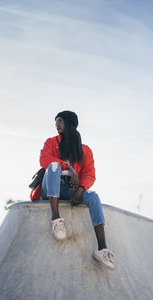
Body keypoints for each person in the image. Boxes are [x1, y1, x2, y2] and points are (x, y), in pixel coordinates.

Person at [30, 110, 114, 270]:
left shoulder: (84, 150)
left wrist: (81, 189)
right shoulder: (51, 142)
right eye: (56, 121)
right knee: (54, 165)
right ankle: (56, 220)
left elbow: (90, 174)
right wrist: (67, 166)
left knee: (93, 196)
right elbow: (44, 160)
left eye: (60, 121)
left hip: (70, 190)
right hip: (49, 189)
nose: (57, 124)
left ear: (69, 123)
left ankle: (102, 249)